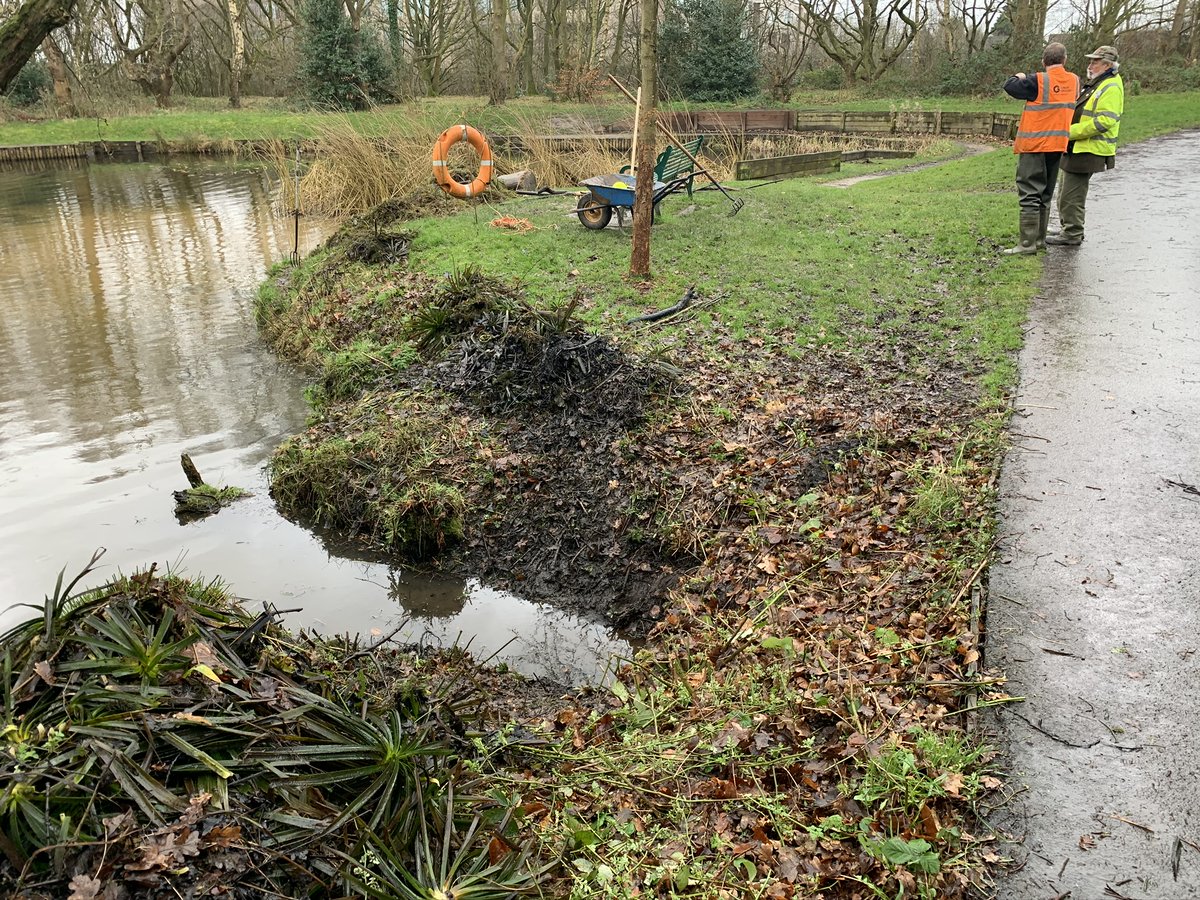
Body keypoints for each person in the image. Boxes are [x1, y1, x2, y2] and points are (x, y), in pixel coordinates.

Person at [1001, 42, 1080, 255]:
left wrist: (1020, 76)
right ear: (1065, 60)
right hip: (1058, 145)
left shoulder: (1038, 81)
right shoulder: (1075, 81)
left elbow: (1009, 86)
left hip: (1035, 144)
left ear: (1044, 62)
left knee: (1029, 192)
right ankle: (1040, 241)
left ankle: (1026, 244)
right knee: (1046, 193)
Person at [1046, 45, 1124, 246]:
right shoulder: (1098, 82)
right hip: (1077, 148)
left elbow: (1105, 121)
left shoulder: (1111, 86)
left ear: (1106, 64)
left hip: (1088, 149)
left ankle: (1072, 233)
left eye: (1094, 61)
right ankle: (1068, 227)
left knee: (1072, 195)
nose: (1090, 65)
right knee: (1065, 193)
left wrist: (1070, 132)